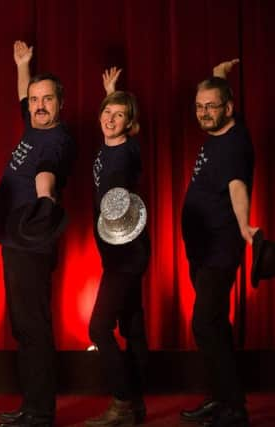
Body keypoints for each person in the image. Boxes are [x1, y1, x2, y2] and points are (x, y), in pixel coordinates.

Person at [0, 41, 74, 427]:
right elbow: (24, 97)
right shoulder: (33, 124)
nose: (39, 105)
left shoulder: (56, 140)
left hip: (31, 240)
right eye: (35, 99)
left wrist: (45, 198)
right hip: (15, 241)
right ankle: (31, 405)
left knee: (34, 326)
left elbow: (47, 171)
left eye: (47, 100)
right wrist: (22, 65)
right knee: (23, 325)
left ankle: (40, 412)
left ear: (61, 103)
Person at [180, 59, 256, 427]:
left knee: (205, 323)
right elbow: (220, 94)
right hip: (201, 249)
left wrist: (244, 226)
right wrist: (220, 73)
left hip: (219, 249)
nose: (205, 113)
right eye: (200, 106)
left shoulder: (232, 145)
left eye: (212, 106)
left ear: (229, 108)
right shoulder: (230, 130)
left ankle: (234, 409)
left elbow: (238, 186)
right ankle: (222, 397)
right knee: (216, 326)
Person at [84, 68, 150, 426]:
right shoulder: (115, 145)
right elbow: (112, 120)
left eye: (119, 115)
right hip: (119, 254)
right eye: (107, 112)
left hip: (126, 255)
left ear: (131, 123)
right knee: (132, 325)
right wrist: (112, 93)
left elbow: (119, 200)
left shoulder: (124, 157)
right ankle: (138, 403)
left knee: (99, 328)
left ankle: (123, 400)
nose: (110, 119)